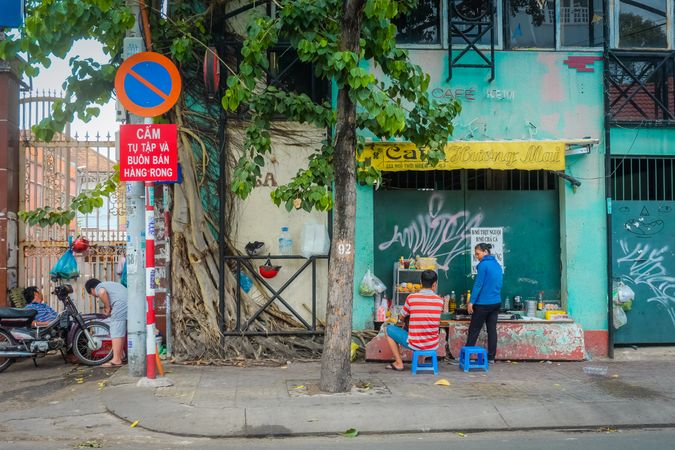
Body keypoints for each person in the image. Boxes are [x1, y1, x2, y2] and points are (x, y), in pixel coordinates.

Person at [384, 270, 444, 371]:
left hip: (415, 343)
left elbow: (401, 317)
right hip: (433, 344)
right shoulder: (440, 301)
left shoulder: (411, 298)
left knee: (388, 329)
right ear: (435, 284)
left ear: (420, 282)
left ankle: (399, 363)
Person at [466, 242, 503, 364]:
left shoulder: (483, 265)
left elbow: (478, 284)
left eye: (478, 254)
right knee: (492, 330)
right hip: (496, 302)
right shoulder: (497, 264)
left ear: (485, 252)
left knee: (474, 329)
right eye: (475, 254)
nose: (477, 256)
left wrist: (471, 302)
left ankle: (467, 356)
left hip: (483, 304)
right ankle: (491, 358)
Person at [85, 278, 128, 367]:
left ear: (92, 289)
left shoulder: (99, 287)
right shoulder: (110, 284)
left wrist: (107, 308)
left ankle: (116, 360)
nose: (95, 296)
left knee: (116, 331)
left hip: (120, 304)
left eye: (92, 294)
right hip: (129, 302)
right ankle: (120, 356)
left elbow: (101, 292)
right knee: (120, 331)